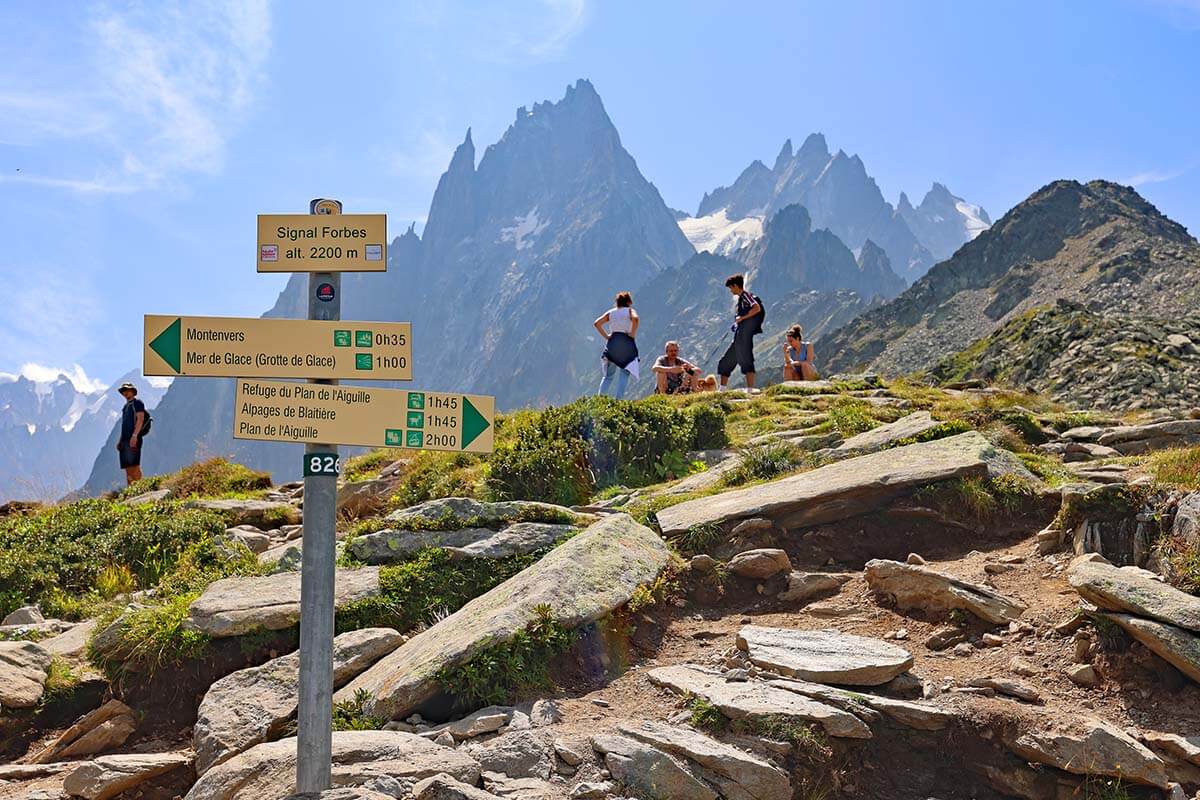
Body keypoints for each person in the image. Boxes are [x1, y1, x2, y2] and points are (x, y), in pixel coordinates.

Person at [716, 274, 763, 390]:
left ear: (736, 286)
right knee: (726, 361)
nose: (730, 291)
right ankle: (722, 390)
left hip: (744, 337)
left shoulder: (746, 296)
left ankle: (750, 391)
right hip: (740, 335)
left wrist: (742, 318)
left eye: (731, 288)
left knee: (747, 359)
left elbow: (757, 308)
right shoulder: (741, 299)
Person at [594, 291, 640, 399]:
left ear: (617, 302)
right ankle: (618, 400)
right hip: (626, 343)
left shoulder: (611, 313)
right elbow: (636, 319)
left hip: (613, 343)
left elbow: (597, 323)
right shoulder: (630, 311)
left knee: (608, 376)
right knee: (624, 373)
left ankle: (600, 400)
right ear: (629, 301)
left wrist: (607, 336)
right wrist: (632, 334)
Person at [115, 382, 147, 485]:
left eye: (127, 390)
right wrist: (120, 441)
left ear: (133, 391)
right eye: (123, 391)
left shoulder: (138, 403)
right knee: (127, 467)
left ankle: (140, 488)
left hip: (133, 439)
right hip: (125, 440)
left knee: (134, 465)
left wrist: (135, 436)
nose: (125, 392)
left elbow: (140, 419)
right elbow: (124, 425)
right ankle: (131, 490)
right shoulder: (125, 407)